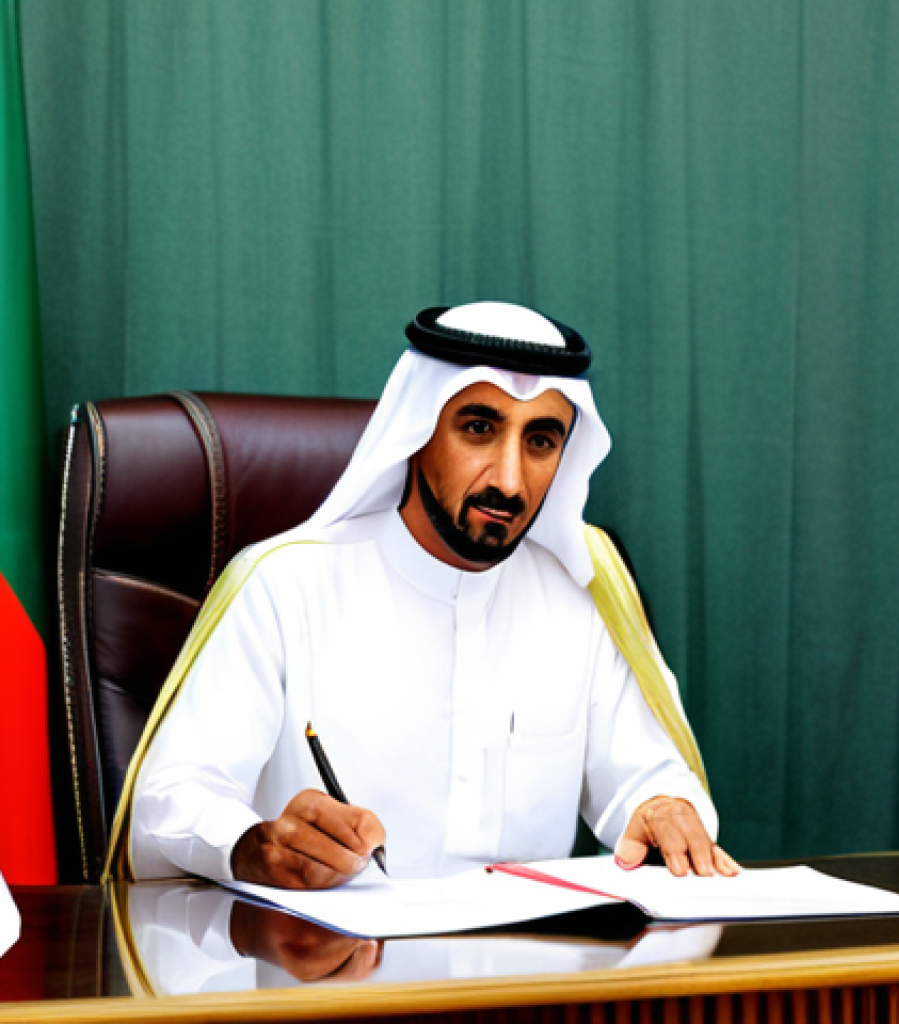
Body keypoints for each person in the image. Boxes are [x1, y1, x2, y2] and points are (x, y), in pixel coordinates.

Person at [116, 301, 739, 887]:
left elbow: (647, 778)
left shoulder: (581, 594)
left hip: (526, 961)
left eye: (540, 441)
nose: (510, 480)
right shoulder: (284, 585)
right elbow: (170, 801)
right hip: (327, 958)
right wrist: (255, 844)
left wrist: (662, 807)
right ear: (417, 432)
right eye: (479, 428)